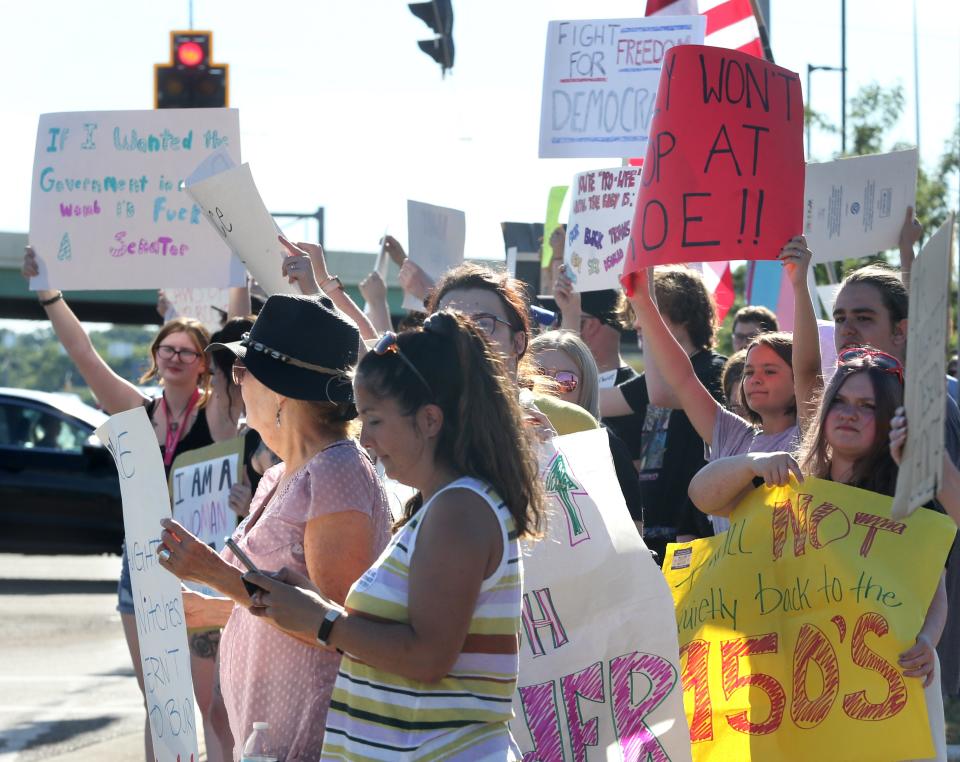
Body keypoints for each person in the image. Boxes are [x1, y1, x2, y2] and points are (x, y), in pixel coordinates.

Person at [241, 309, 546, 759]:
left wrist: (321, 620)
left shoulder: (458, 511)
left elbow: (427, 658)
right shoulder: (446, 508)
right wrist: (315, 606)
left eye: (375, 421)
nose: (365, 440)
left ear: (428, 420)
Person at [688, 349, 958, 761]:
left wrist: (928, 639)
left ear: (891, 421)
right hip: (801, 694)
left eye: (868, 407)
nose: (850, 414)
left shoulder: (911, 500)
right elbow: (702, 495)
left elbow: (933, 586)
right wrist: (751, 463)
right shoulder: (788, 481)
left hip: (888, 693)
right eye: (841, 402)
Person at [21, 245, 235, 761]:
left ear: (204, 365)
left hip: (205, 564)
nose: (176, 357)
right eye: (168, 348)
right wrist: (49, 294)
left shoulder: (220, 417)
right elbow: (86, 356)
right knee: (159, 701)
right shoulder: (138, 412)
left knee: (211, 702)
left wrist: (234, 277)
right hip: (142, 566)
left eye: (188, 351)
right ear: (155, 355)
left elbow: (234, 343)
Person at [157, 294, 392, 761]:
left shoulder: (335, 471)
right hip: (270, 733)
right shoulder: (279, 474)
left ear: (281, 391)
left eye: (245, 372)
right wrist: (217, 610)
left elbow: (338, 629)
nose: (237, 383)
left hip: (311, 732)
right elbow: (285, 609)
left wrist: (214, 575)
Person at [618, 239, 821, 542]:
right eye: (749, 371)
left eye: (770, 371)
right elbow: (683, 380)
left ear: (795, 384)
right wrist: (643, 303)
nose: (754, 379)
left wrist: (799, 285)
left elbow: (808, 367)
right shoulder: (731, 434)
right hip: (733, 584)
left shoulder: (809, 435)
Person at [831, 258, 960, 698]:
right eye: (840, 317)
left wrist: (927, 459)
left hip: (906, 656)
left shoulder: (925, 410)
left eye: (863, 317)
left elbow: (942, 535)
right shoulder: (831, 403)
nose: (847, 328)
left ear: (900, 330)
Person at [596, 265, 727, 559]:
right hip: (653, 528)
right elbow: (594, 401)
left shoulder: (714, 370)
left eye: (651, 311)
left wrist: (646, 298)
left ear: (682, 314)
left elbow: (662, 395)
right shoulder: (656, 378)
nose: (638, 325)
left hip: (690, 532)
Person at [426, 262, 598, 435]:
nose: (466, 334)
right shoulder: (419, 425)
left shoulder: (574, 424)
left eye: (484, 324)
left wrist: (548, 455)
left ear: (518, 342)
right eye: (449, 325)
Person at [530, 329, 643, 530]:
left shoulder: (607, 447)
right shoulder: (499, 439)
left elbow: (633, 531)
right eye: (537, 376)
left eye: (566, 381)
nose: (549, 388)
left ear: (585, 388)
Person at [550, 278, 646, 458]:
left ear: (589, 325)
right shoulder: (636, 388)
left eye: (558, 319)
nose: (553, 329)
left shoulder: (638, 394)